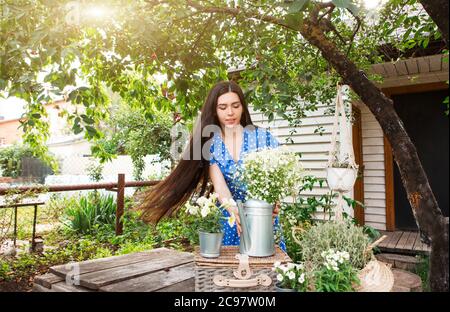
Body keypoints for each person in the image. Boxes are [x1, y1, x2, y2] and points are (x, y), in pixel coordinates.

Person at [137, 80, 285, 251]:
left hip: (261, 215)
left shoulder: (262, 138)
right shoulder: (211, 144)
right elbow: (221, 188)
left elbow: (278, 176)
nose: (230, 112)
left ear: (242, 107)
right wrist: (235, 212)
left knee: (267, 270)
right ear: (214, 110)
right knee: (228, 273)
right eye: (222, 107)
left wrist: (275, 202)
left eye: (235, 105)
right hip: (231, 215)